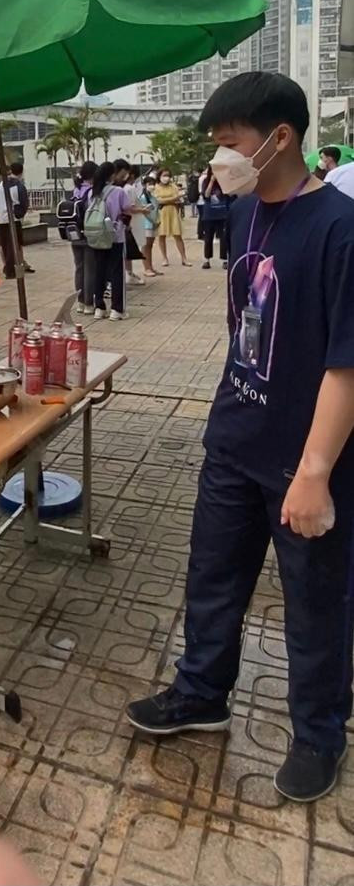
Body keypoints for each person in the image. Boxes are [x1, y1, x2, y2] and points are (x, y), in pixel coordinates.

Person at [126, 72, 354, 804]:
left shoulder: (342, 229)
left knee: (314, 603)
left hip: (304, 457)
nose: (219, 159)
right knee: (213, 577)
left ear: (280, 137)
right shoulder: (252, 210)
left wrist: (315, 469)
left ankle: (319, 732)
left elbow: (346, 364)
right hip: (235, 439)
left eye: (230, 143)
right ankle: (201, 692)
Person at [85, 161, 137, 321]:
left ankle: (99, 307)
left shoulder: (92, 192)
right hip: (115, 236)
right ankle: (117, 309)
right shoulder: (118, 191)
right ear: (112, 175)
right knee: (116, 273)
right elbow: (127, 211)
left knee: (99, 271)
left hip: (97, 235)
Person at [0, 160, 34, 279]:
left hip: (0, 218)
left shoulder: (0, 184)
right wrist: (19, 214)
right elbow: (24, 203)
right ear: (21, 173)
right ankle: (11, 270)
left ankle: (9, 267)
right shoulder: (17, 185)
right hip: (12, 219)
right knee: (14, 245)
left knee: (5, 245)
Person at [71, 161, 96, 312]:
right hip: (88, 232)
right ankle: (88, 303)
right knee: (90, 269)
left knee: (79, 268)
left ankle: (80, 302)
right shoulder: (92, 192)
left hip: (74, 233)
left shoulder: (77, 189)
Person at [154, 169, 191, 266]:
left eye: (168, 175)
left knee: (177, 235)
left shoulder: (173, 186)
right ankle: (164, 258)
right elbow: (158, 201)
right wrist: (173, 199)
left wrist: (170, 200)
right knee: (161, 236)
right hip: (162, 212)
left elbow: (179, 200)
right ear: (159, 176)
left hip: (173, 212)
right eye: (164, 175)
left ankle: (184, 258)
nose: (166, 177)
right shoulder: (156, 187)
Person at [198, 165, 229, 270]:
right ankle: (207, 259)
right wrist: (211, 181)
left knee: (223, 238)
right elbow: (206, 195)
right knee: (208, 237)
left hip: (222, 213)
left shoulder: (224, 181)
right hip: (209, 214)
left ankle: (225, 260)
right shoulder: (205, 181)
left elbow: (228, 193)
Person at [121, 161, 146, 286]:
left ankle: (129, 273)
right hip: (131, 222)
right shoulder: (129, 189)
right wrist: (143, 210)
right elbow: (129, 207)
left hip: (131, 221)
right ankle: (128, 273)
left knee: (128, 250)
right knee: (128, 249)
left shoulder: (126, 188)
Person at [140, 175, 162, 276]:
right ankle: (146, 268)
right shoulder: (143, 198)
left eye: (153, 184)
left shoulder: (153, 197)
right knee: (145, 246)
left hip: (154, 224)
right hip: (146, 224)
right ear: (144, 185)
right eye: (149, 184)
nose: (152, 186)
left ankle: (150, 267)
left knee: (150, 246)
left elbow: (156, 211)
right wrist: (153, 221)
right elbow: (144, 212)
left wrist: (157, 221)